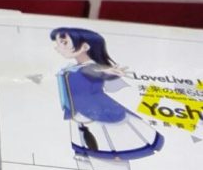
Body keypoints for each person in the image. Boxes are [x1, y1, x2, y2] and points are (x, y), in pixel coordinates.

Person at [51, 27, 163, 162]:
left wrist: (107, 72)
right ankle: (83, 151)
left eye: (64, 43)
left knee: (104, 132)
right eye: (58, 43)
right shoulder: (72, 67)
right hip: (76, 106)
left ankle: (111, 154)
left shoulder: (89, 67)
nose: (58, 47)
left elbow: (95, 72)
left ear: (85, 46)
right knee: (80, 130)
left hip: (94, 106)